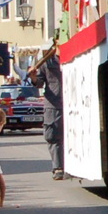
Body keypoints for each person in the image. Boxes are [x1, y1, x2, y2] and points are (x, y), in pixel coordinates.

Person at [40, 44, 64, 180]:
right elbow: (38, 82)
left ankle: (71, 166)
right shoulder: (47, 62)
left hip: (71, 103)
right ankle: (58, 167)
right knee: (53, 136)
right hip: (53, 104)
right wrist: (32, 77)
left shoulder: (73, 58)